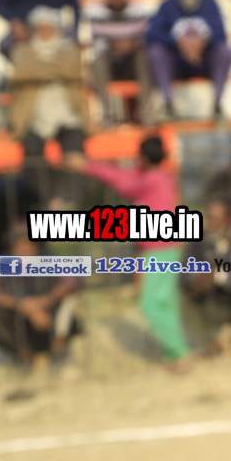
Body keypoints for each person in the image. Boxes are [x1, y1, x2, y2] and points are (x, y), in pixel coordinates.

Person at [69, 137, 191, 370]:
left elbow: (123, 183)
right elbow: (126, 175)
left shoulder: (150, 180)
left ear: (143, 157)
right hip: (164, 248)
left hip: (159, 249)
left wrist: (86, 166)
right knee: (166, 302)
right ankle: (175, 352)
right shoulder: (160, 176)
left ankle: (179, 352)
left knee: (149, 303)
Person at [9, 6, 87, 207]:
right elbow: (21, 72)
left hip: (68, 116)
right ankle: (45, 201)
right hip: (33, 118)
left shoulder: (69, 49)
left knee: (75, 153)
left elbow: (72, 70)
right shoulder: (21, 50)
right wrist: (54, 69)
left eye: (48, 28)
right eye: (40, 28)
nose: (45, 32)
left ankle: (72, 202)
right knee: (32, 157)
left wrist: (39, 68)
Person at [181, 196, 231, 355]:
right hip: (214, 304)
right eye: (208, 218)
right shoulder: (199, 239)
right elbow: (184, 269)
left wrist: (220, 277)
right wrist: (194, 279)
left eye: (215, 219)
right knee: (183, 294)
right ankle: (208, 345)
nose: (210, 224)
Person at [146, 0, 231, 119]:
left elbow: (221, 33)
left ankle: (218, 103)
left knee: (225, 51)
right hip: (176, 62)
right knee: (155, 52)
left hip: (204, 61)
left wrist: (202, 42)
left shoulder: (210, 4)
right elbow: (152, 34)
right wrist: (178, 42)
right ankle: (168, 104)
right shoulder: (167, 5)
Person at [0, 227, 82, 369]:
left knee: (68, 301)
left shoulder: (52, 261)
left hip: (49, 319)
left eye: (29, 247)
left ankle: (58, 352)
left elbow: (72, 281)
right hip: (20, 323)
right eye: (21, 248)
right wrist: (24, 306)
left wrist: (43, 302)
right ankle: (24, 356)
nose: (25, 252)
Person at [86, 0, 155, 124]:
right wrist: (113, 45)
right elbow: (95, 40)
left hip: (132, 58)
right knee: (96, 61)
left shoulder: (139, 9)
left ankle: (145, 113)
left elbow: (146, 37)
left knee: (146, 57)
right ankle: (107, 113)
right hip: (110, 58)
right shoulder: (95, 11)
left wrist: (131, 44)